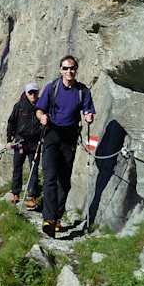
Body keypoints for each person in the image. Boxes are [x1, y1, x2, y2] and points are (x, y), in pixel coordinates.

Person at [35, 55, 95, 238]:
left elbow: (88, 109)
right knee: (50, 177)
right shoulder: (52, 88)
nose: (69, 71)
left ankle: (57, 217)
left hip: (69, 137)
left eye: (72, 68)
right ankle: (49, 219)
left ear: (76, 70)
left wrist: (88, 116)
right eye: (66, 68)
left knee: (65, 182)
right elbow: (39, 109)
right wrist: (41, 117)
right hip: (52, 134)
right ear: (60, 70)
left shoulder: (82, 91)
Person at [6, 82, 43, 208]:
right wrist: (9, 139)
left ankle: (32, 196)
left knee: (34, 169)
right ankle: (15, 193)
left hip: (36, 142)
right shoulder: (19, 106)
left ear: (38, 93)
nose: (33, 95)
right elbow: (11, 122)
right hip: (20, 142)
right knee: (17, 168)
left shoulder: (42, 105)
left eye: (35, 92)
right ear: (26, 93)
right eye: (30, 92)